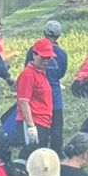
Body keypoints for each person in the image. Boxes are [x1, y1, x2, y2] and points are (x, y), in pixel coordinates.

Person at [24, 20, 68, 152]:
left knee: (39, 130)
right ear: (59, 35)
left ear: (44, 33)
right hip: (55, 96)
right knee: (56, 129)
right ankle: (56, 154)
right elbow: (62, 72)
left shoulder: (33, 50)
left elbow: (27, 67)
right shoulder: (61, 54)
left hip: (36, 97)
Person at [9, 40, 56, 149]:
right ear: (34, 55)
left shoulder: (40, 72)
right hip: (34, 122)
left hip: (43, 122)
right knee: (29, 156)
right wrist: (30, 126)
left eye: (48, 58)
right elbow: (23, 102)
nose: (45, 61)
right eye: (42, 57)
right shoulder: (28, 74)